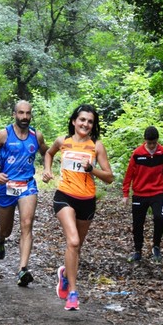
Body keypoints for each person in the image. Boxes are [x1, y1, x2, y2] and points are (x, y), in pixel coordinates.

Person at [42, 104, 114, 311]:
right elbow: (49, 153)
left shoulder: (96, 146)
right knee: (72, 241)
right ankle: (73, 293)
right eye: (82, 120)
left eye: (90, 121)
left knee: (76, 247)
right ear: (74, 121)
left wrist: (92, 169)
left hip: (87, 201)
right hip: (64, 196)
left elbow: (109, 177)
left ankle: (65, 274)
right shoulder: (63, 141)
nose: (85, 124)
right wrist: (47, 171)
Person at [0, 100, 48, 287]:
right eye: (21, 113)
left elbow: (47, 153)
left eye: (28, 113)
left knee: (27, 224)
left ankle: (22, 269)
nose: (25, 117)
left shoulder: (36, 135)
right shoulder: (4, 134)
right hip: (6, 186)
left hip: (27, 186)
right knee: (7, 230)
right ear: (14, 114)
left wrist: (47, 168)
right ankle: (0, 239)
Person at [122, 126, 163, 263]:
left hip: (157, 192)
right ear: (145, 141)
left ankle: (156, 247)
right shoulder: (137, 154)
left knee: (159, 218)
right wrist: (125, 194)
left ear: (157, 141)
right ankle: (138, 250)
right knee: (138, 223)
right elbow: (129, 175)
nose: (152, 145)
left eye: (154, 143)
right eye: (149, 143)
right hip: (140, 194)